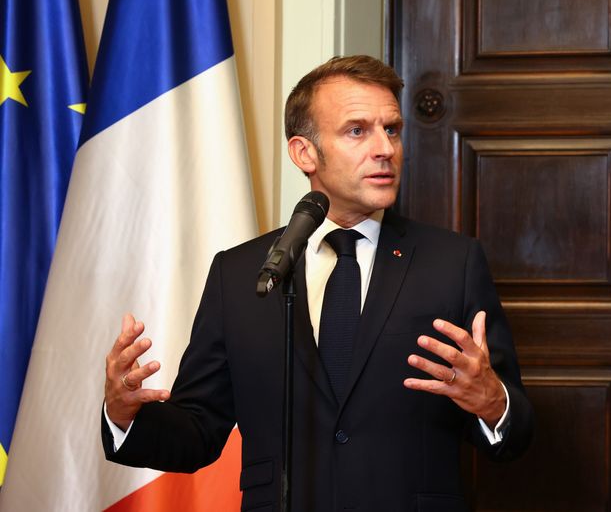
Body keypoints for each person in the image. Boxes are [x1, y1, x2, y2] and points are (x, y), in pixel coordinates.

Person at [101, 55, 532, 510]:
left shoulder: (453, 263)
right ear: (304, 152)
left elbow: (517, 434)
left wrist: (492, 401)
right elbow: (198, 432)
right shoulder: (240, 273)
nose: (385, 148)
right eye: (357, 131)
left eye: (392, 129)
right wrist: (124, 415)